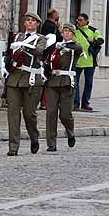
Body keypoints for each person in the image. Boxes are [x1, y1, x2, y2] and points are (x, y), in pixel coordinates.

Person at [1, 12, 47, 156]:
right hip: (15, 79)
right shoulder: (17, 37)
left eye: (33, 21)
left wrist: (23, 46)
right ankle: (13, 147)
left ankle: (34, 137)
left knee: (29, 114)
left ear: (38, 24)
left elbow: (39, 52)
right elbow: (10, 54)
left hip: (31, 79)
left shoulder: (41, 39)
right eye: (27, 20)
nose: (30, 23)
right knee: (13, 114)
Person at [44, 23, 80, 152]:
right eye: (64, 31)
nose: (66, 33)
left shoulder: (74, 47)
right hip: (53, 81)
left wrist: (64, 46)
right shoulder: (56, 47)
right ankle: (51, 143)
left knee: (65, 114)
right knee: (51, 113)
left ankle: (70, 132)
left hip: (66, 82)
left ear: (73, 34)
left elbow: (77, 49)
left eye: (69, 31)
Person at [73, 13, 103, 112]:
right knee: (75, 82)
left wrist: (93, 41)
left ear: (86, 20)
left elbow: (101, 40)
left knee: (88, 83)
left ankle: (86, 103)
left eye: (81, 20)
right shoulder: (75, 31)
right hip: (77, 61)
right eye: (78, 20)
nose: (78, 22)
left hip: (90, 61)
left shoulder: (93, 30)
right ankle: (75, 103)